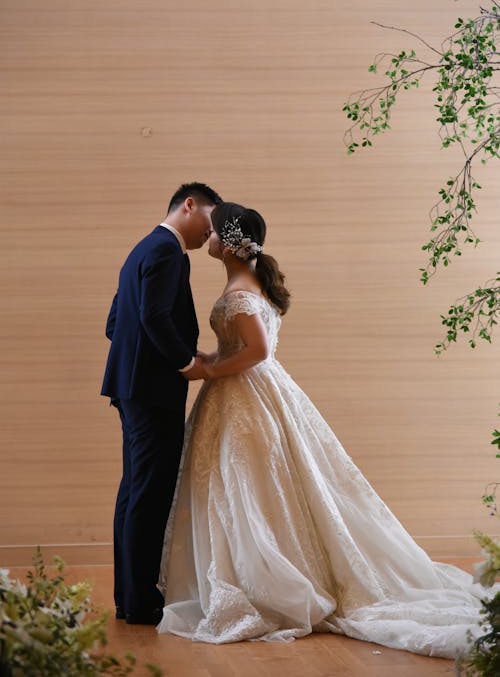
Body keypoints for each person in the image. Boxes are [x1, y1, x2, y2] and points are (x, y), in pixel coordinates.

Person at [157, 201, 498, 657]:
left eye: (214, 232)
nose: (208, 237)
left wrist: (211, 371)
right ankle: (260, 571)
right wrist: (213, 360)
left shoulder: (240, 290)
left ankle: (266, 583)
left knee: (245, 487)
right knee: (252, 489)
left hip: (246, 396)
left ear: (230, 244)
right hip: (255, 393)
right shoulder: (250, 282)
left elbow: (256, 350)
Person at [101, 182, 222, 625]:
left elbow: (115, 323)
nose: (211, 233)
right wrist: (184, 362)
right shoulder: (168, 252)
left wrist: (140, 361)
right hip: (152, 392)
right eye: (210, 219)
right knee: (148, 495)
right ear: (189, 204)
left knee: (134, 490)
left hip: (131, 387)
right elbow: (152, 316)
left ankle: (128, 598)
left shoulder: (141, 249)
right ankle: (140, 603)